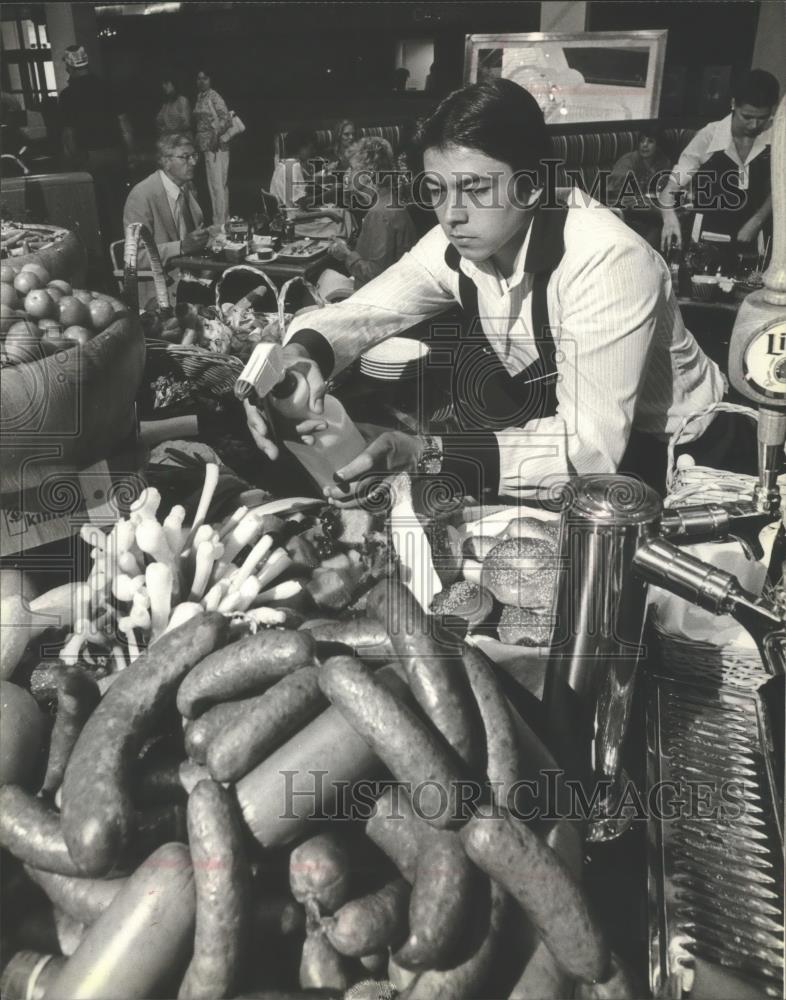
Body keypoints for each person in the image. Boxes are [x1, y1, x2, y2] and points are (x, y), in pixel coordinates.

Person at [245, 79, 724, 503]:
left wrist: (427, 455)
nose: (451, 214)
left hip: (680, 454)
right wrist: (296, 358)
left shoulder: (607, 260)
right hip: (564, 432)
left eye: (474, 188)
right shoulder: (458, 240)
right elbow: (366, 311)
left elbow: (590, 449)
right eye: (436, 190)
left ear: (533, 186)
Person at [660, 68, 779, 252]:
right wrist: (669, 217)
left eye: (762, 118)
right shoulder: (709, 136)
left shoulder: (777, 137)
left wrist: (757, 220)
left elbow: (782, 188)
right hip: (706, 240)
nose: (754, 125)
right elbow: (669, 191)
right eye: (747, 117)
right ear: (733, 104)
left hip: (756, 240)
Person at [319, 137, 417, 296]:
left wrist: (346, 255)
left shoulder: (379, 213)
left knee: (312, 294)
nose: (347, 175)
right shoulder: (389, 201)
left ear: (368, 173)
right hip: (392, 291)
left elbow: (375, 275)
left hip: (378, 298)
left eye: (352, 169)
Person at [123, 131, 209, 305]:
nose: (193, 162)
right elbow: (135, 258)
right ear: (166, 161)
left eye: (194, 156)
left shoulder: (187, 188)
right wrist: (181, 247)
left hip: (191, 280)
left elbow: (196, 230)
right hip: (160, 292)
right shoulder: (142, 195)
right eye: (185, 157)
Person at [58, 44, 132, 243]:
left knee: (96, 210)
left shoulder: (67, 96)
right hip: (116, 154)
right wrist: (130, 154)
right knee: (121, 203)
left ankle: (107, 252)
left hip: (89, 159)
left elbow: (68, 136)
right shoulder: (109, 87)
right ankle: (128, 245)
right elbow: (124, 124)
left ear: (70, 67)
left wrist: (74, 164)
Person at [268, 129, 353, 239]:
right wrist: (328, 200)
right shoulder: (294, 167)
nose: (313, 151)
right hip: (293, 226)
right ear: (300, 147)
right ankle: (342, 250)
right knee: (341, 216)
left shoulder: (283, 165)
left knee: (337, 210)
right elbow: (300, 210)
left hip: (285, 220)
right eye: (310, 147)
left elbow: (295, 196)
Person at [194, 69, 232, 227]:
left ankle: (222, 223)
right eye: (199, 78)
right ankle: (220, 222)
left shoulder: (214, 96)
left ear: (211, 79)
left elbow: (226, 118)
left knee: (218, 186)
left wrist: (215, 136)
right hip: (207, 147)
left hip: (217, 146)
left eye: (205, 78)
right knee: (213, 186)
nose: (202, 81)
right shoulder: (200, 97)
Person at [607, 129, 671, 206]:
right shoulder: (627, 162)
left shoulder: (663, 162)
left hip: (648, 206)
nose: (644, 145)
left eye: (650, 141)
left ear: (658, 146)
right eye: (641, 141)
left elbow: (665, 187)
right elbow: (615, 195)